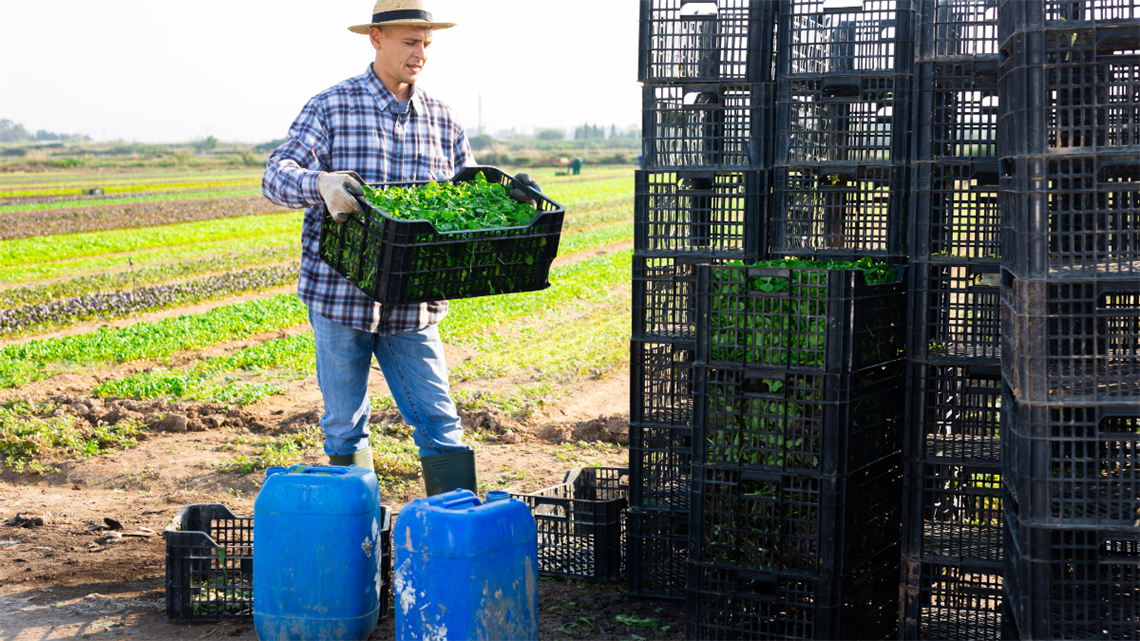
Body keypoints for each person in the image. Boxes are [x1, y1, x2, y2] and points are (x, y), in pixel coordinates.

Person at [262, 0, 540, 495]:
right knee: (344, 424)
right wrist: (321, 183)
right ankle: (355, 539)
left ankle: (454, 534)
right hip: (340, 296)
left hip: (413, 305)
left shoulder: (442, 118)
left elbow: (468, 196)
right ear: (376, 37)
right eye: (411, 41)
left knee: (440, 419)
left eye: (427, 43)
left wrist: (508, 200)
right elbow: (275, 176)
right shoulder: (331, 106)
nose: (421, 53)